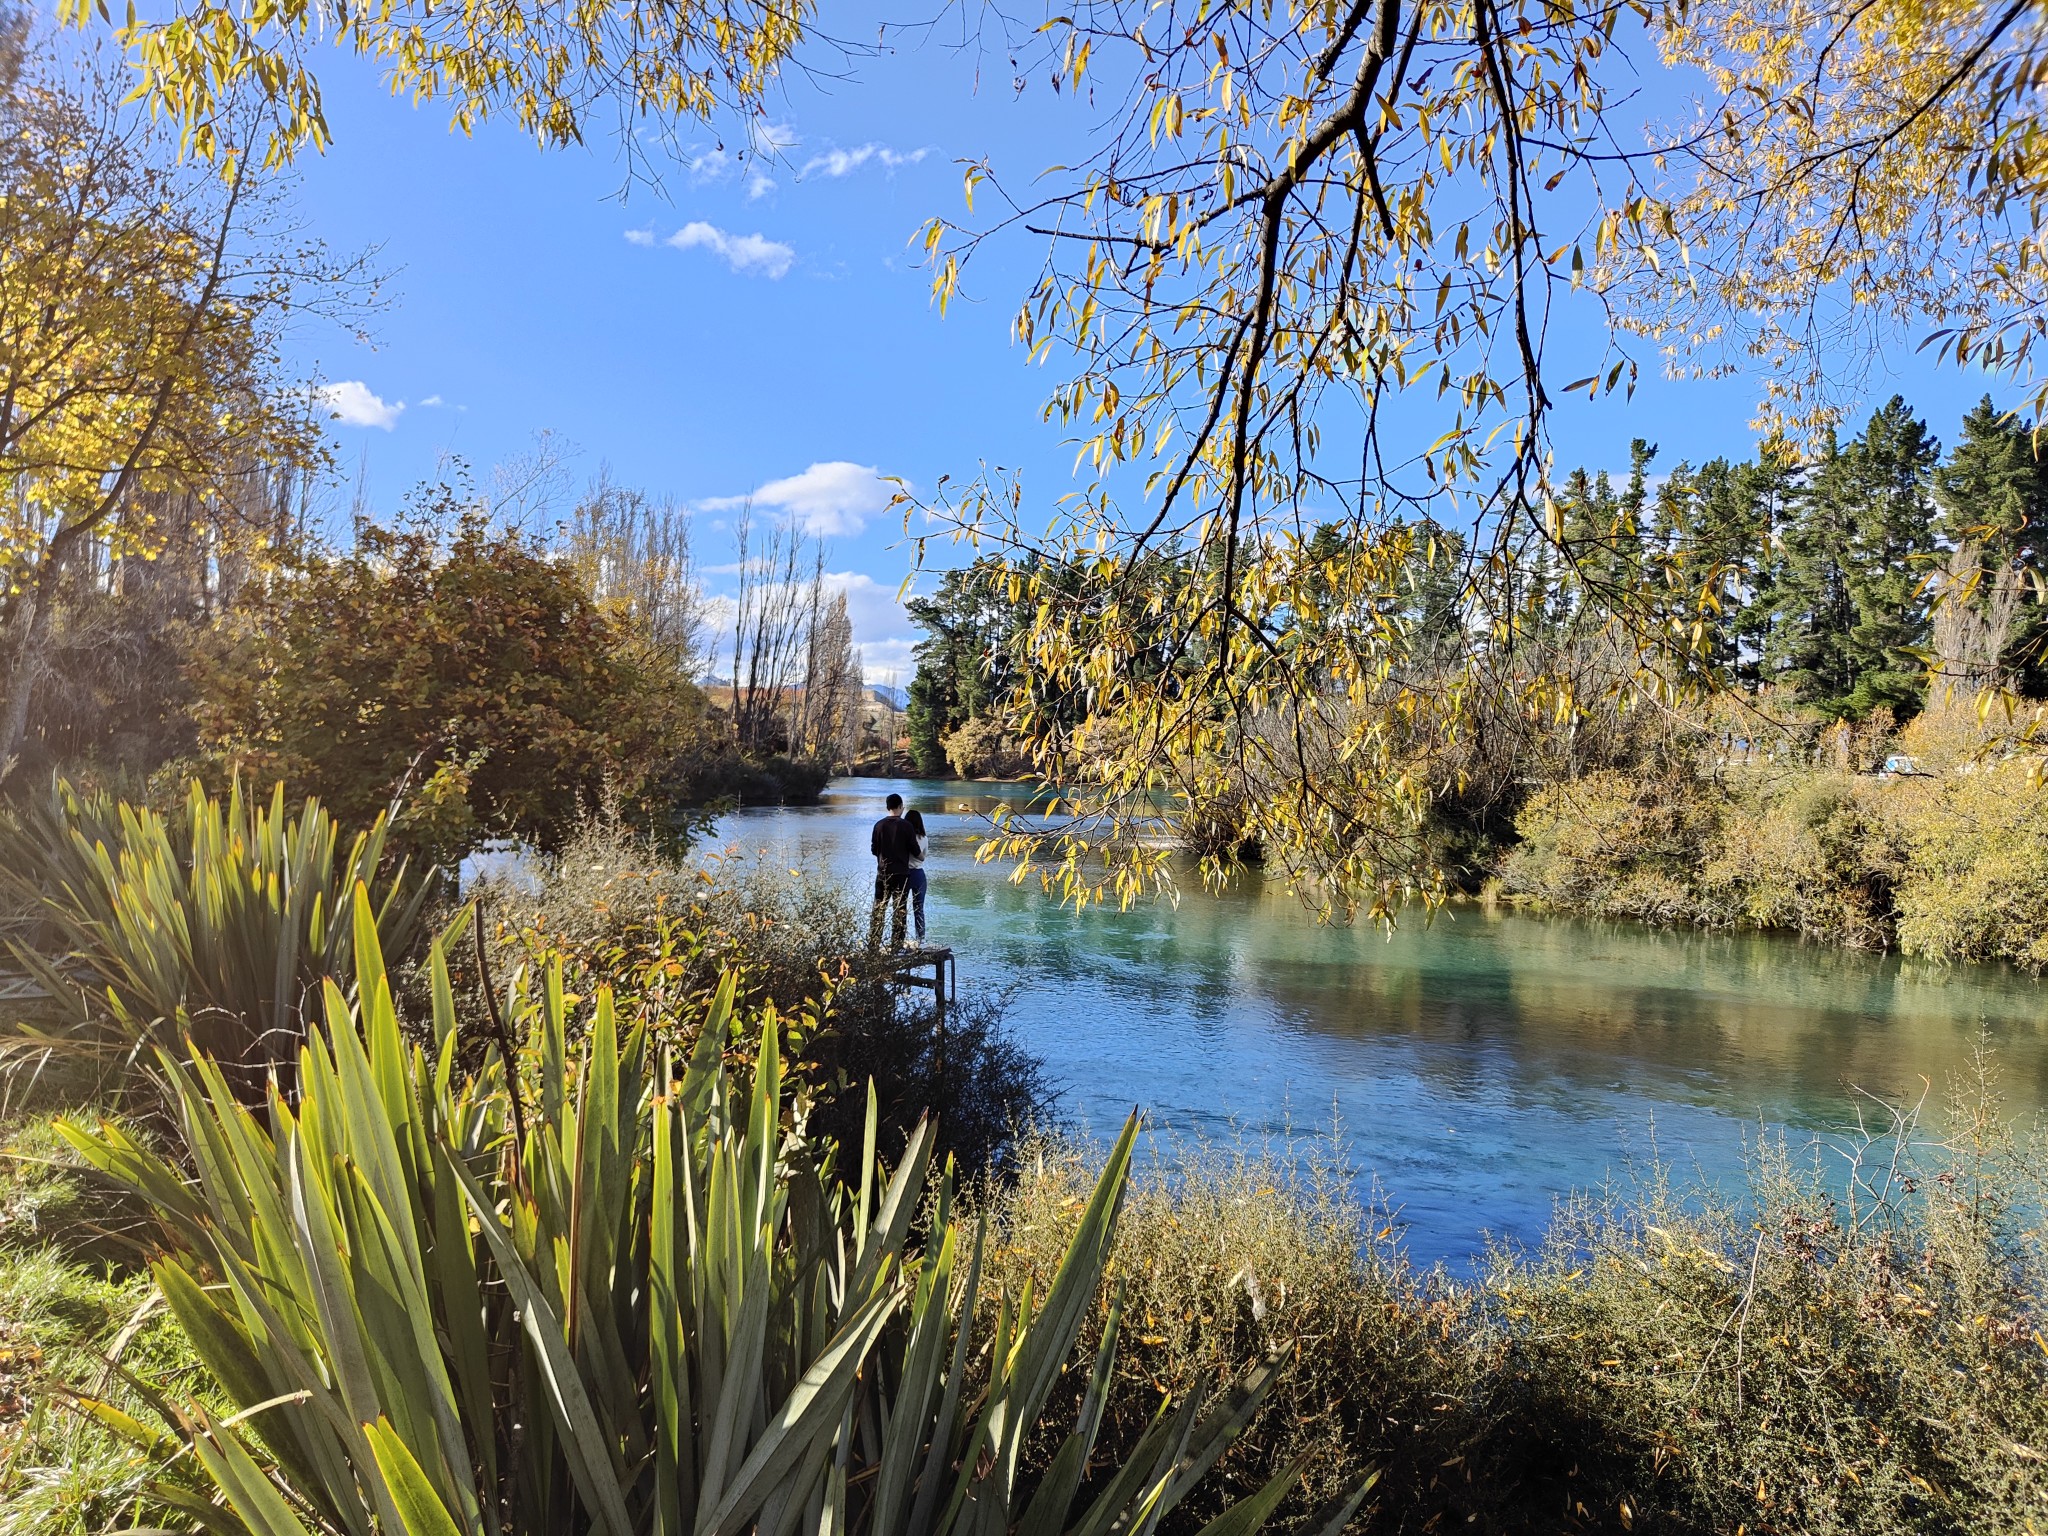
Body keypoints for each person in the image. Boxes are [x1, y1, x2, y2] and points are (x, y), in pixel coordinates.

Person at [868, 792, 913, 950]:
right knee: (900, 908)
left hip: (883, 873)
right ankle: (896, 944)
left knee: (879, 908)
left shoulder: (878, 825)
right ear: (900, 807)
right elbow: (914, 849)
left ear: (887, 807)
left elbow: (874, 849)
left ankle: (873, 943)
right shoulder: (907, 826)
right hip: (901, 873)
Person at [902, 806, 930, 946]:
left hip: (905, 874)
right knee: (919, 908)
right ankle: (921, 939)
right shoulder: (924, 838)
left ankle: (900, 939)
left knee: (901, 908)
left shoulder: (903, 839)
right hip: (919, 874)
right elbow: (923, 857)